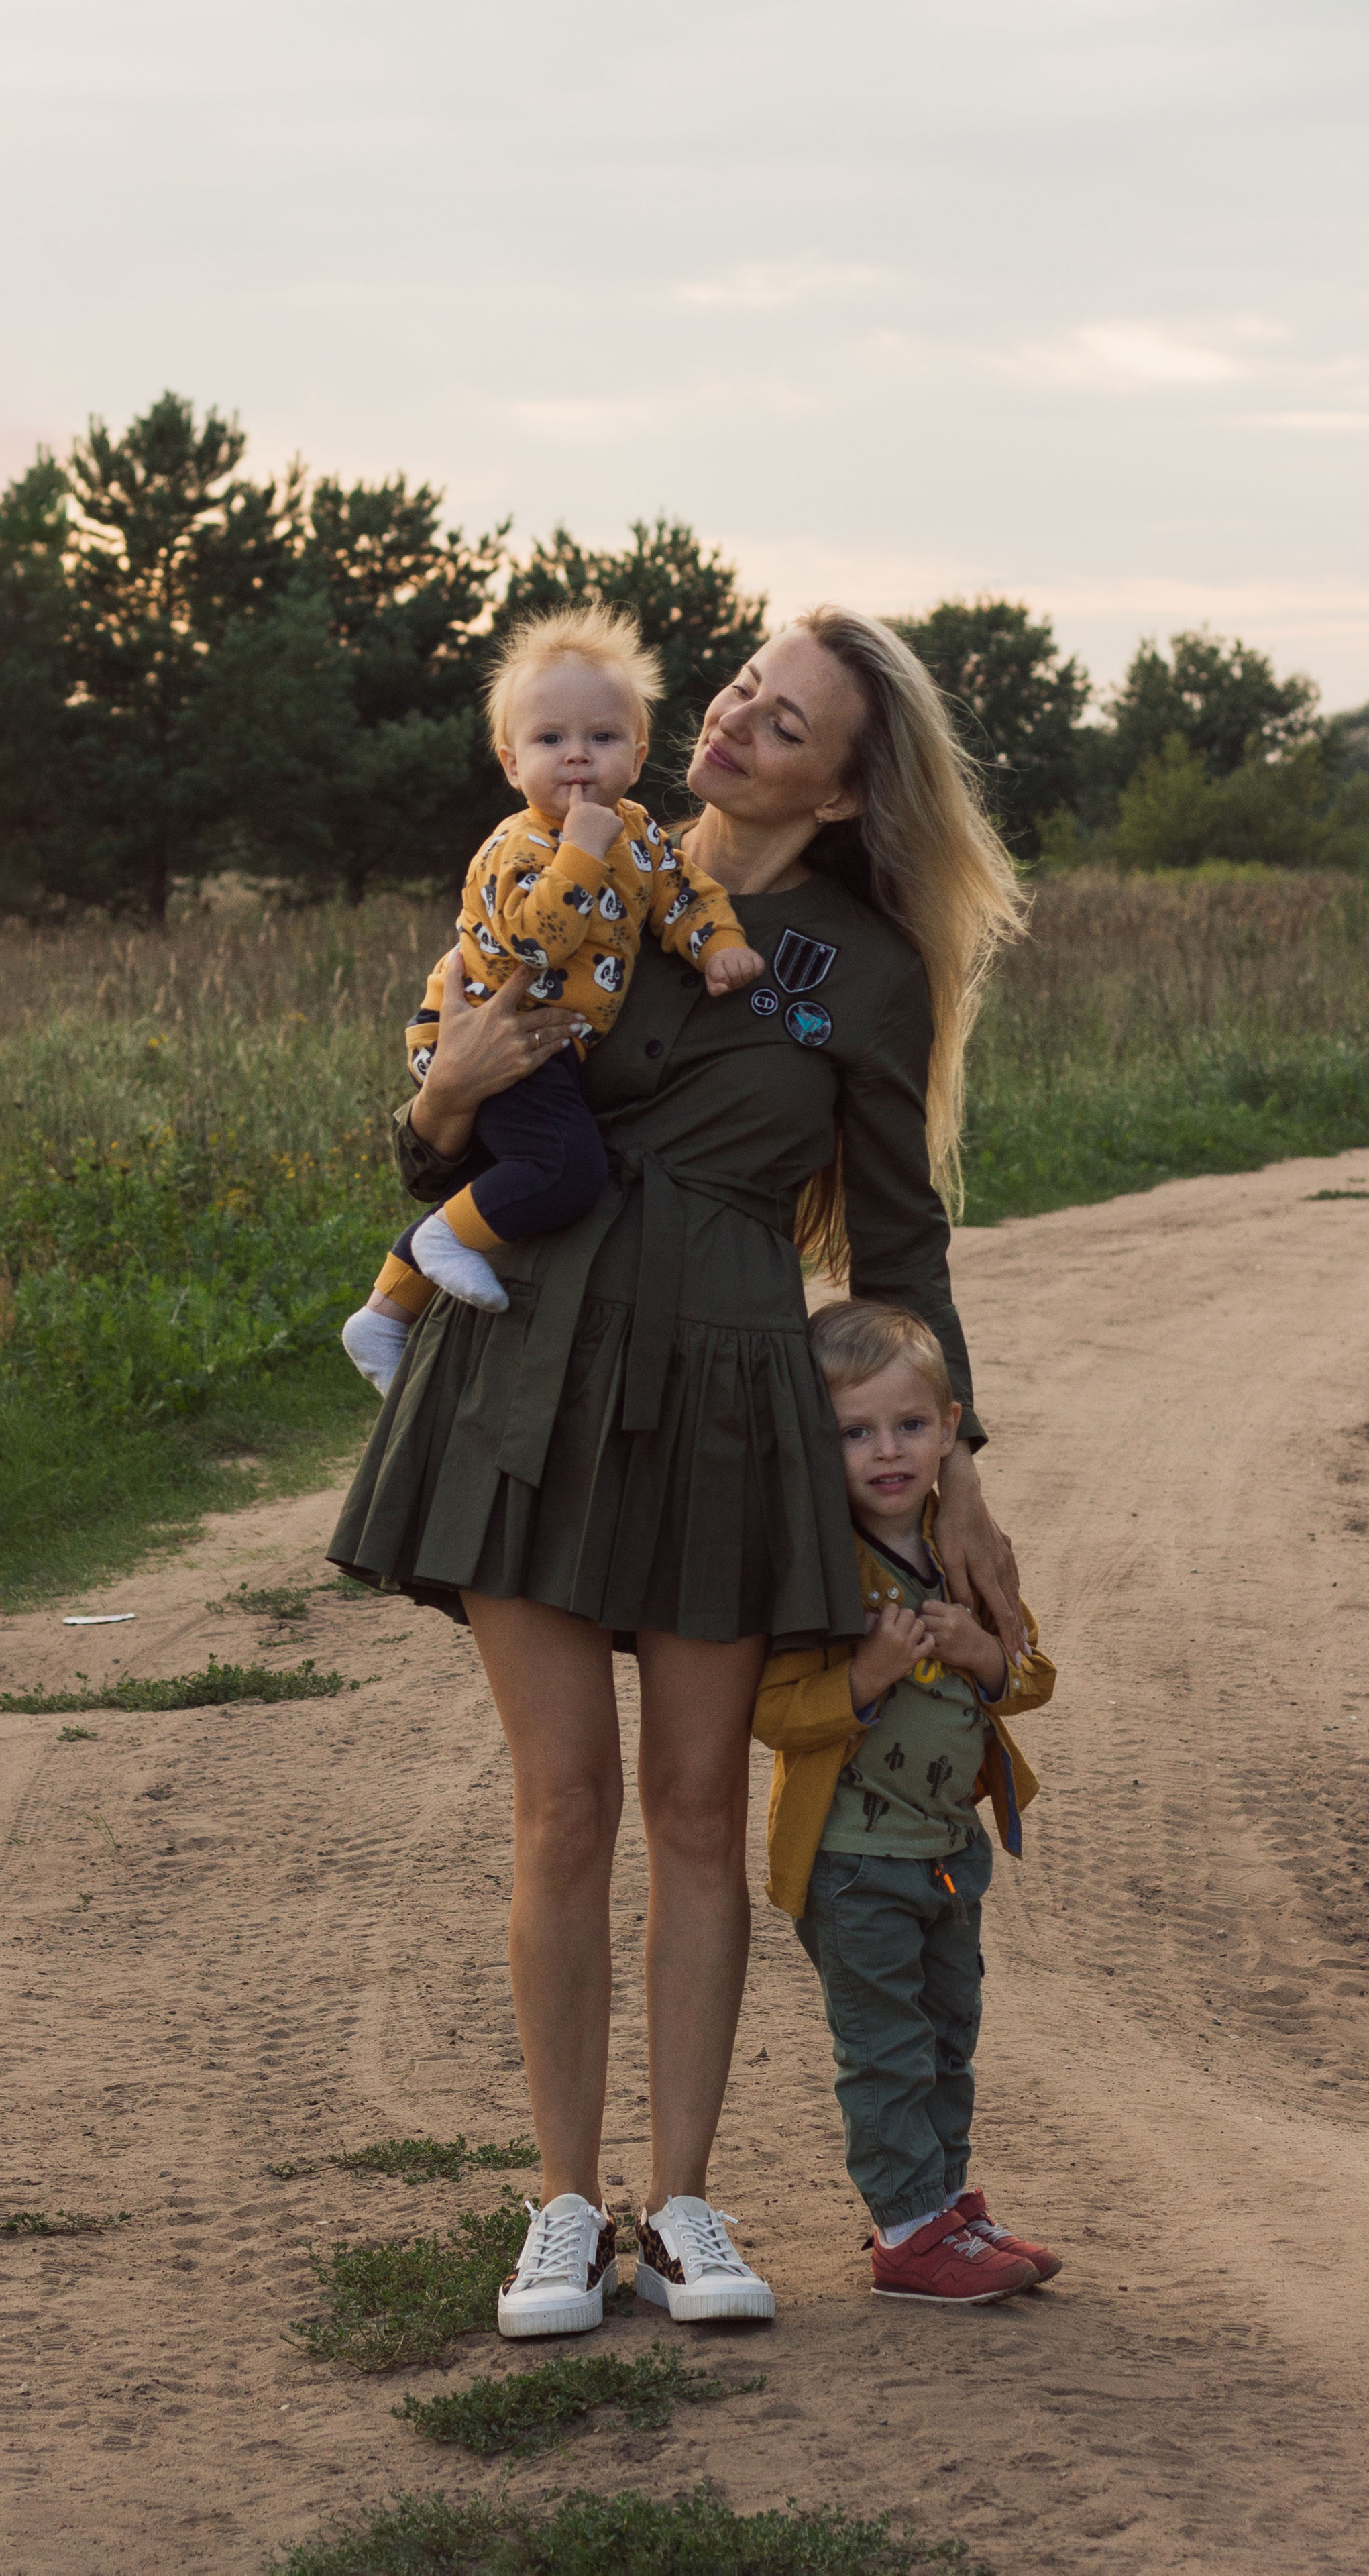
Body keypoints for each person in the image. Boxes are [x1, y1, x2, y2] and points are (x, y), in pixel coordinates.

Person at [329, 606, 1028, 2337]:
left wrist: (961, 1472)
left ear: (852, 791)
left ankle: (686, 2202)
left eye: (782, 726)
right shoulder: (569, 856)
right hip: (526, 1373)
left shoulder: (867, 968)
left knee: (700, 1813)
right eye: (736, 693)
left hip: (732, 1387)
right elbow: (456, 1099)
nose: (730, 728)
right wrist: (430, 1121)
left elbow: (900, 1237)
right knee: (563, 1807)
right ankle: (564, 2205)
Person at [341, 606, 764, 1393]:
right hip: (493, 1035)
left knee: (549, 1166)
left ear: (637, 755)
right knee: (563, 1171)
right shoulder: (520, 846)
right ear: (509, 763)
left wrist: (720, 945)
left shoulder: (639, 835)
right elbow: (538, 940)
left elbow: (683, 894)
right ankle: (437, 1247)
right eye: (549, 740)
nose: (576, 757)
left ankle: (383, 1313)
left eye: (601, 739)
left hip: (551, 1045)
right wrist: (582, 848)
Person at [753, 1299, 1060, 2304]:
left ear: (949, 1430)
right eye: (855, 1431)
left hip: (944, 1847)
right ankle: (905, 2231)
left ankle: (942, 2201)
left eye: (911, 1426)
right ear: (816, 1442)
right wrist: (866, 1678)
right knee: (885, 2048)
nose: (888, 1451)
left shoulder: (956, 1541)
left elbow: (1033, 1670)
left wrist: (987, 1657)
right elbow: (768, 1710)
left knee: (947, 2033)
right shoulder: (817, 1560)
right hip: (850, 1860)